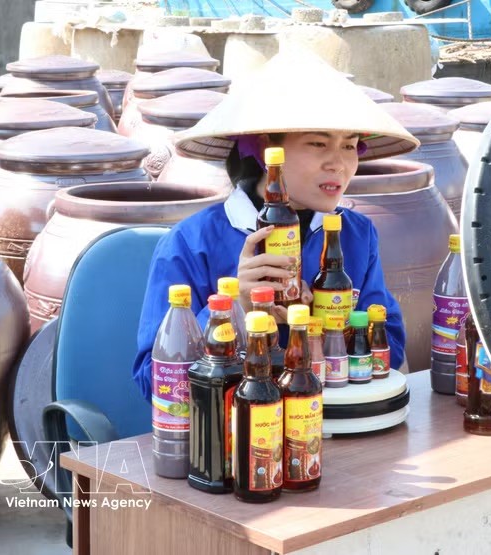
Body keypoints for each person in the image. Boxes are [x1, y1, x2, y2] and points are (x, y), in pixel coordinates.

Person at [132, 52, 420, 401]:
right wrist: (234, 307)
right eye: (318, 143)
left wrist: (332, 325)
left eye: (349, 145)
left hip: (334, 421)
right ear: (268, 148)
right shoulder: (191, 242)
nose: (339, 164)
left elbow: (392, 348)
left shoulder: (356, 235)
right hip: (234, 428)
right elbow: (156, 382)